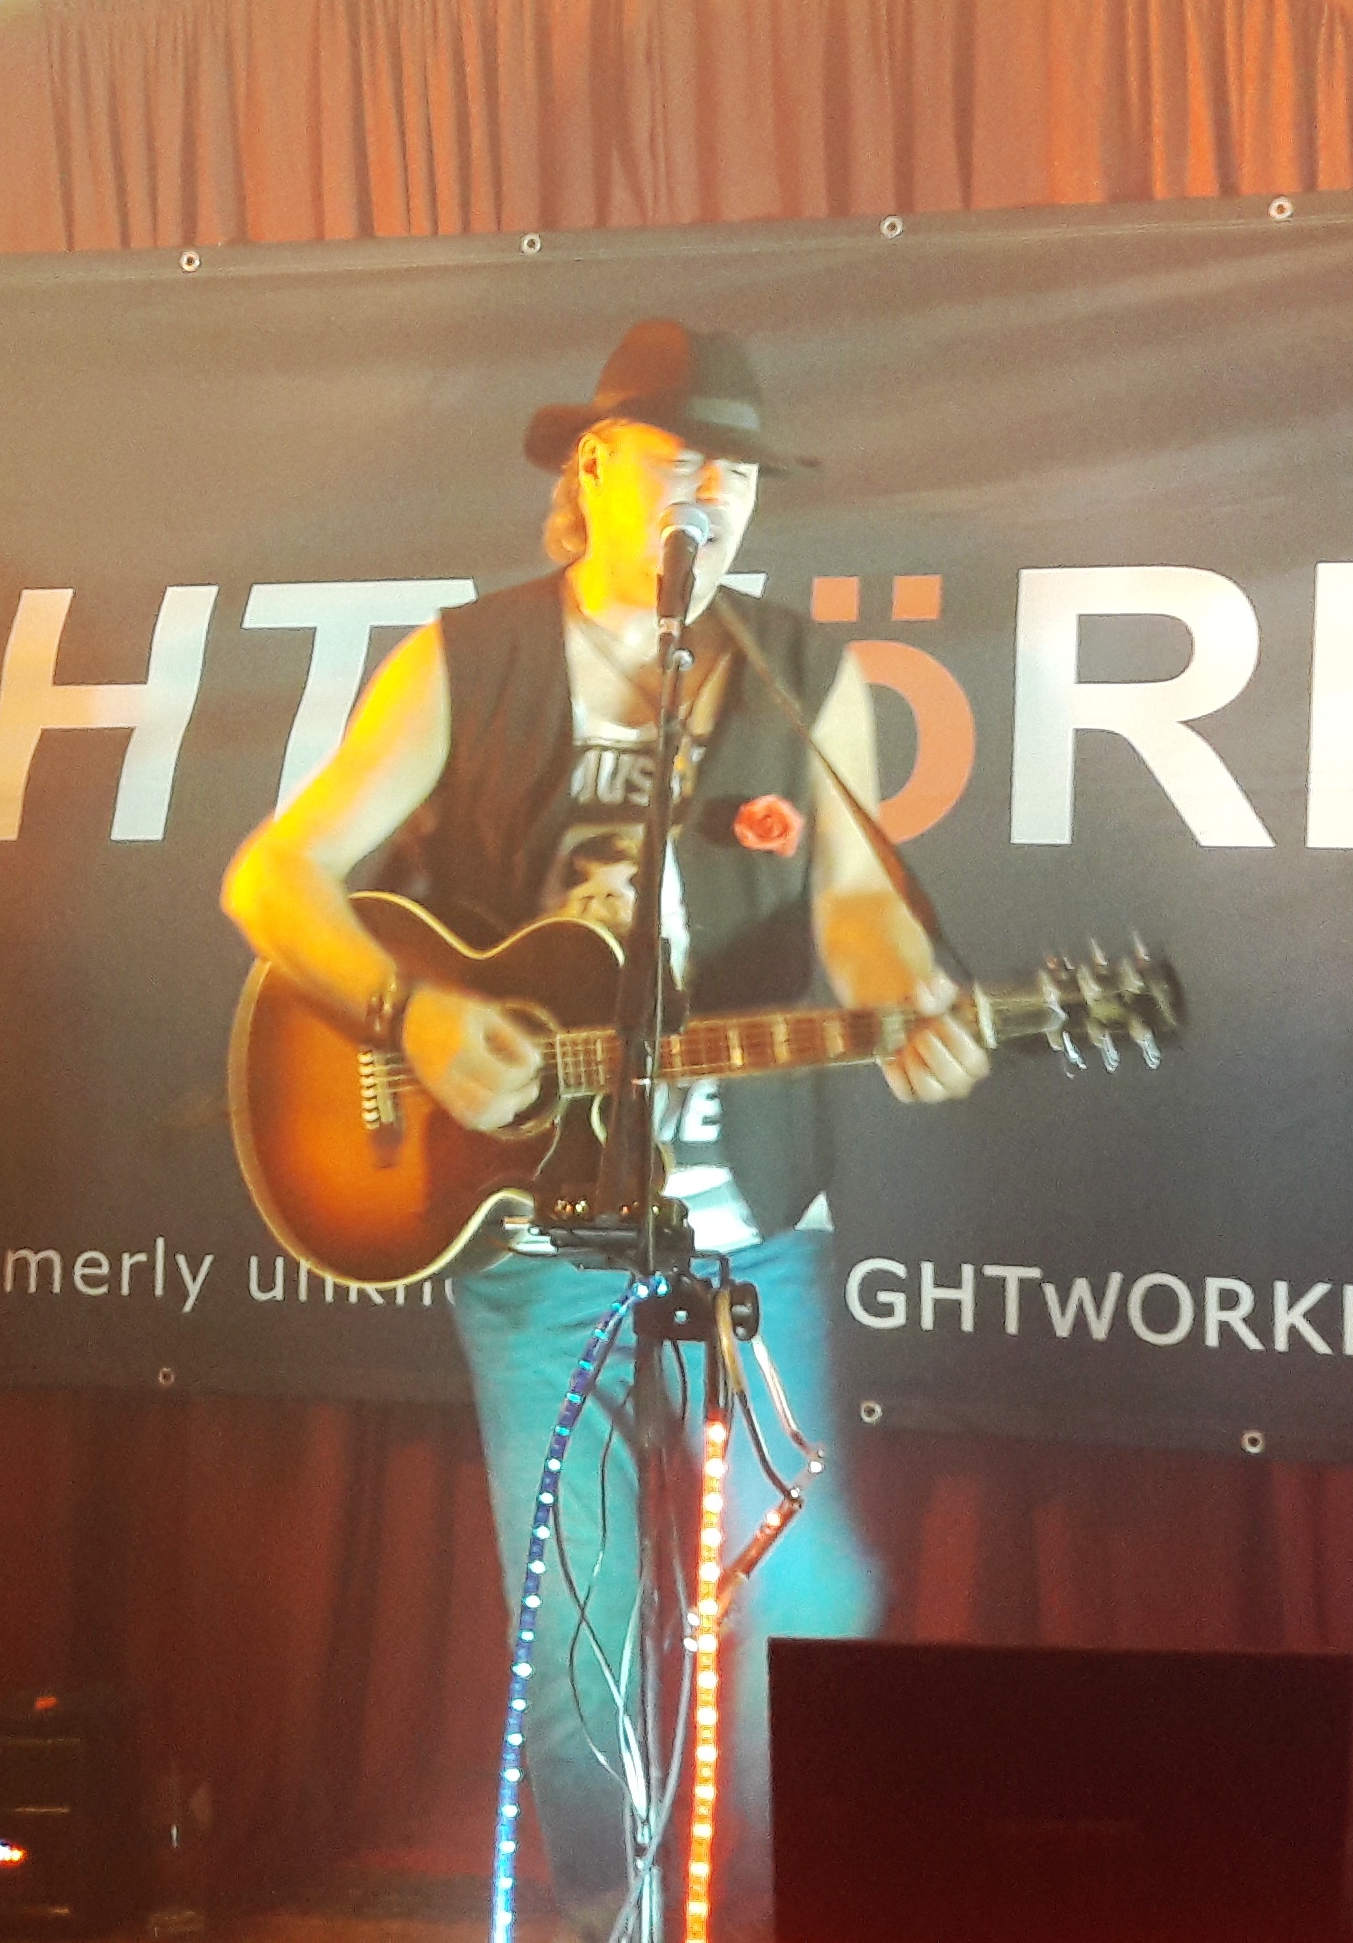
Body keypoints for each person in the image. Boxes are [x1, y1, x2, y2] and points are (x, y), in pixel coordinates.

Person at [223, 317, 986, 1943]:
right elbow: (271, 877)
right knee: (579, 1631)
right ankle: (602, 1922)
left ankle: (774, 1913)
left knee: (811, 1598)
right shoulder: (468, 659)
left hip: (752, 1227)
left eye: (740, 472)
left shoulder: (806, 675)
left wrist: (911, 998)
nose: (714, 492)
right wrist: (411, 1011)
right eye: (681, 457)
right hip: (530, 1231)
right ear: (596, 464)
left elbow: (856, 910)